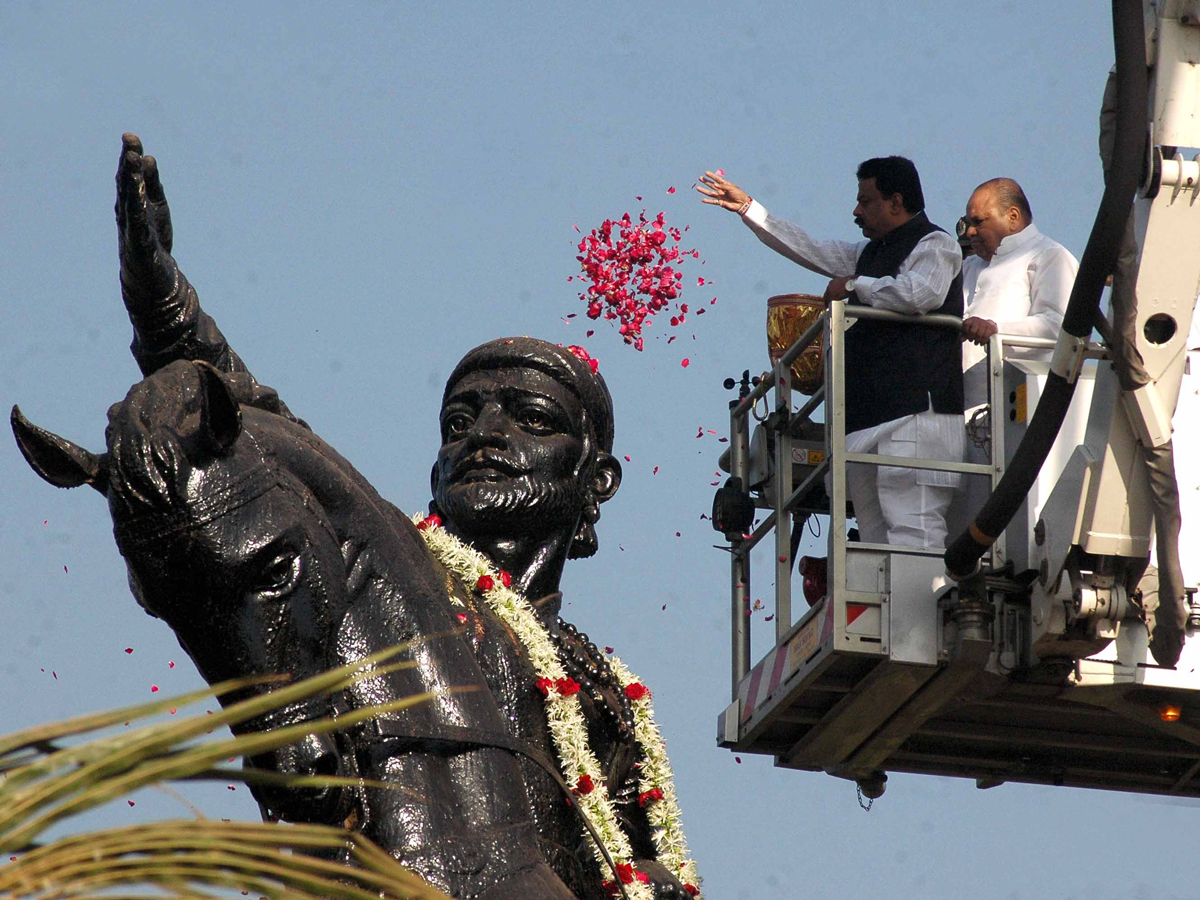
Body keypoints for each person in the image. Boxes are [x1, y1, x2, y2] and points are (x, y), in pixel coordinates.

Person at [110, 134, 698, 900]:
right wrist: (159, 301)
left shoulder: (607, 689)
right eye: (460, 422)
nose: (486, 435)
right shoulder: (393, 579)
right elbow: (251, 420)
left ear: (597, 482)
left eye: (530, 418)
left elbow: (643, 865)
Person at [697, 158, 965, 548]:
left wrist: (856, 287)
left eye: (865, 201)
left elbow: (920, 293)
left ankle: (917, 606)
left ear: (895, 201)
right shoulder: (868, 253)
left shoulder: (936, 244)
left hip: (916, 417)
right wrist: (747, 207)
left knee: (913, 530)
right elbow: (809, 248)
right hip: (866, 420)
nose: (856, 211)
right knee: (872, 539)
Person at [959, 177, 1078, 411]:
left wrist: (995, 329)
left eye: (978, 221)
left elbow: (1060, 329)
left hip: (1016, 410)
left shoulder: (1049, 256)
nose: (970, 231)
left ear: (1013, 217)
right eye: (968, 222)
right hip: (959, 414)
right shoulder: (968, 267)